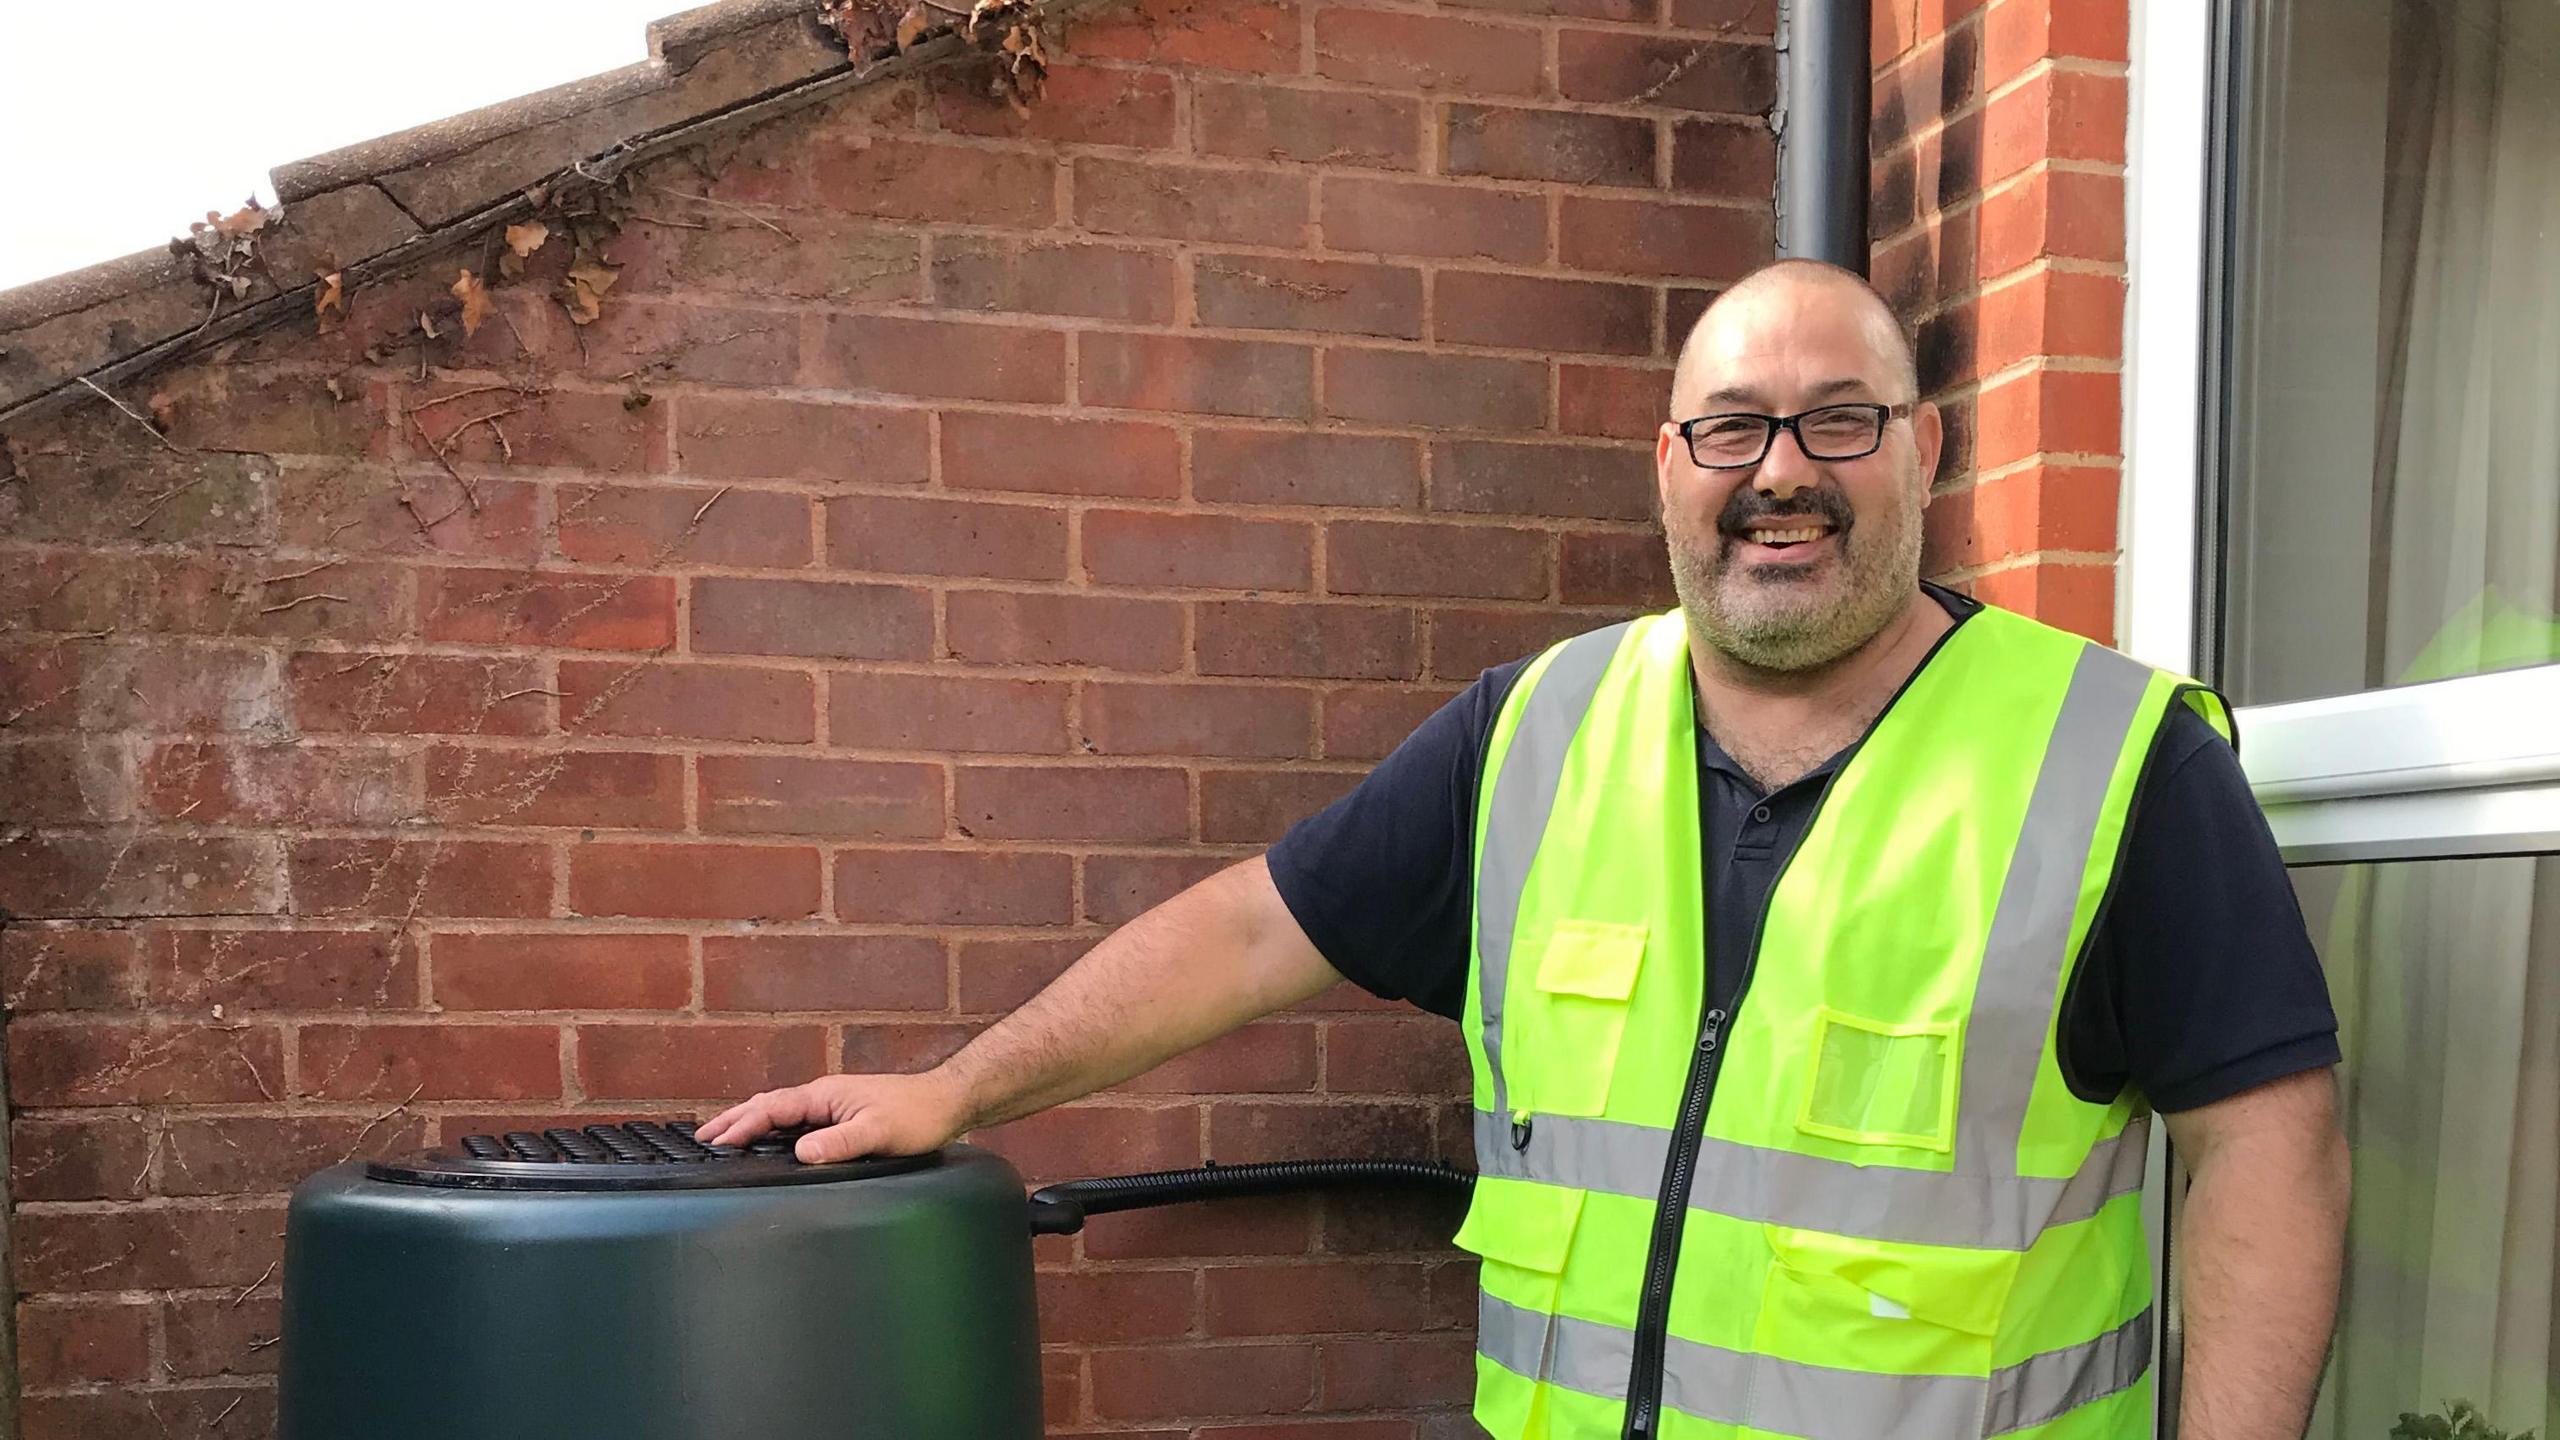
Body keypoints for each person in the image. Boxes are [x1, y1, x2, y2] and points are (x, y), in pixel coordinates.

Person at [699, 260, 2351, 1440]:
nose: (1780, 472)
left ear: (1924, 450)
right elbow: (1258, 931)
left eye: (1839, 422)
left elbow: (2266, 1153)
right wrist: (960, 1089)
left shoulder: (2118, 762)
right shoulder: (1536, 730)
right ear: (1669, 472)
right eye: (1731, 428)